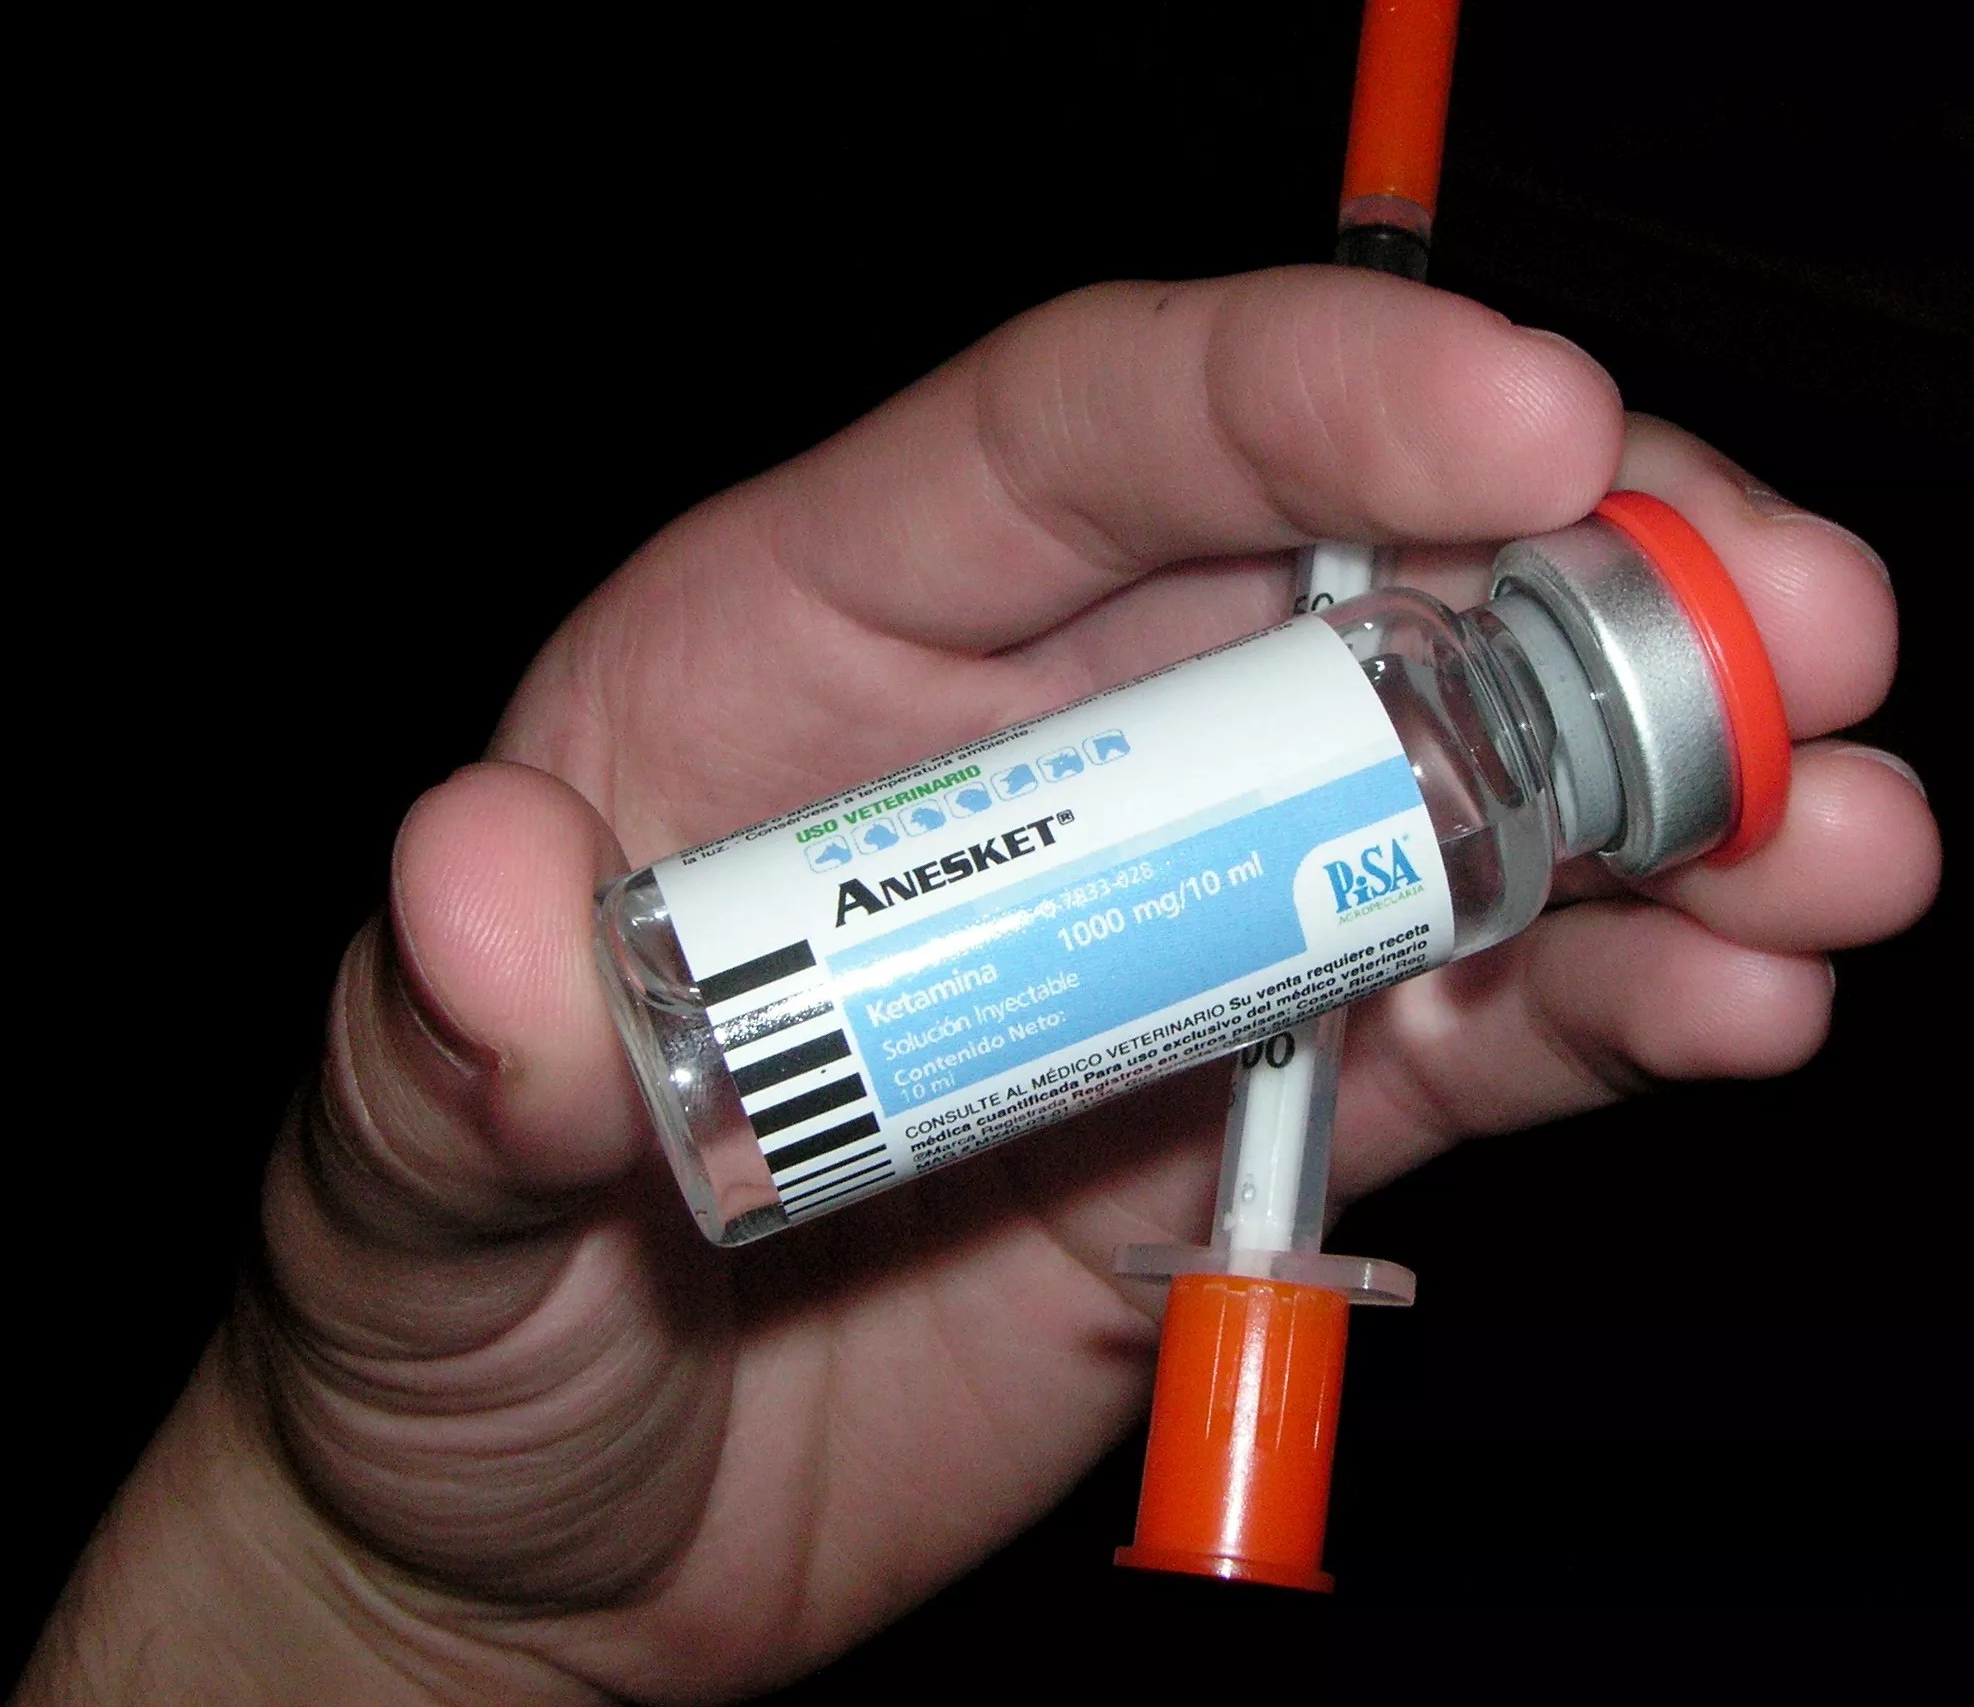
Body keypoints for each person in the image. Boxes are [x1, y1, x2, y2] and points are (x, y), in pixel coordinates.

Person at [14, 263, 1941, 1702]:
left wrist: (367, 1602)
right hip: (741, 990)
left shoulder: (1483, 847)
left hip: (793, 1071)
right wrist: (334, 1572)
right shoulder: (1416, 679)